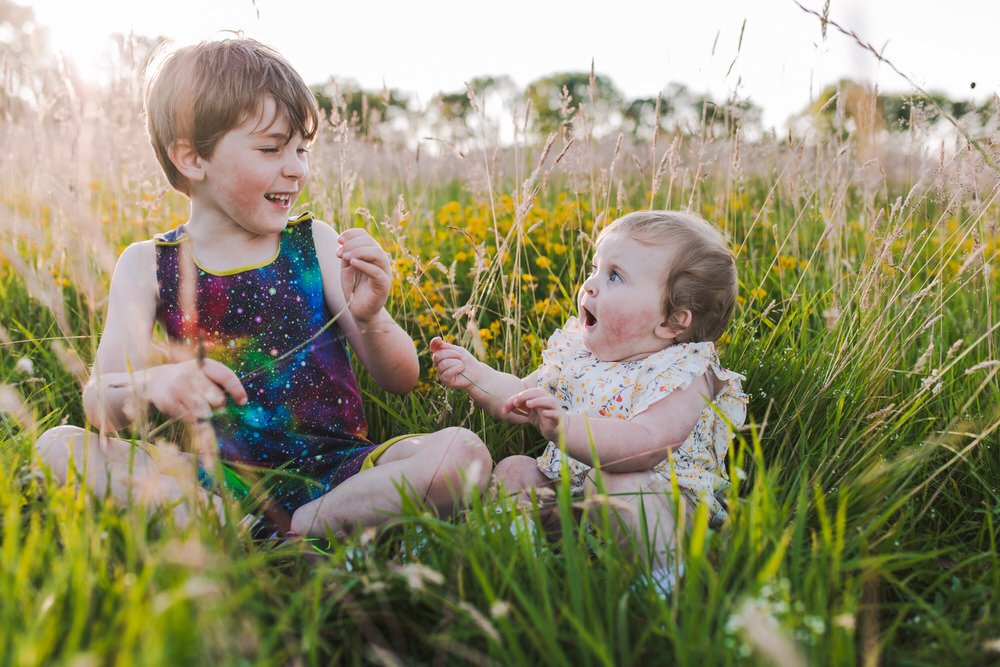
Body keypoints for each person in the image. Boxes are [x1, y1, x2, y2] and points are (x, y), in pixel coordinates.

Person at [34, 37, 491, 539]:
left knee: (463, 453)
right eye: (272, 148)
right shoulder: (147, 265)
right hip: (213, 482)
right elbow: (101, 400)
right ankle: (245, 531)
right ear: (190, 157)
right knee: (59, 445)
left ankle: (296, 533)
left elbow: (401, 379)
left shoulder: (314, 243)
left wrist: (370, 317)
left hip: (340, 470)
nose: (296, 168)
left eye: (302, 149)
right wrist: (155, 386)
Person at [431, 210, 747, 593]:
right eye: (596, 268)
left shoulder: (682, 372)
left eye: (614, 276)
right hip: (576, 494)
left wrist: (564, 427)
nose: (590, 285)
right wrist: (476, 375)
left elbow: (645, 445)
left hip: (660, 506)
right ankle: (514, 553)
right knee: (516, 470)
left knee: (613, 480)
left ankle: (668, 577)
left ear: (671, 322)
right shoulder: (578, 354)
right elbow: (518, 399)